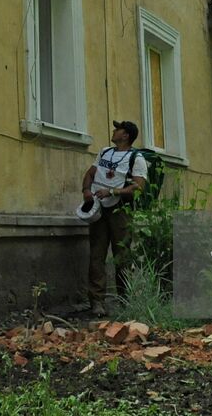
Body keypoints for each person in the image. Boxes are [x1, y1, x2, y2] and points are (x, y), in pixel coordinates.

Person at [81, 120, 148, 317]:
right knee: (96, 254)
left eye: (117, 129)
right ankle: (97, 302)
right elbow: (90, 174)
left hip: (121, 210)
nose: (114, 131)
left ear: (126, 135)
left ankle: (125, 300)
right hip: (99, 208)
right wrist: (86, 190)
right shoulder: (104, 152)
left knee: (122, 256)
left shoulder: (137, 158)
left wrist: (112, 191)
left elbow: (138, 187)